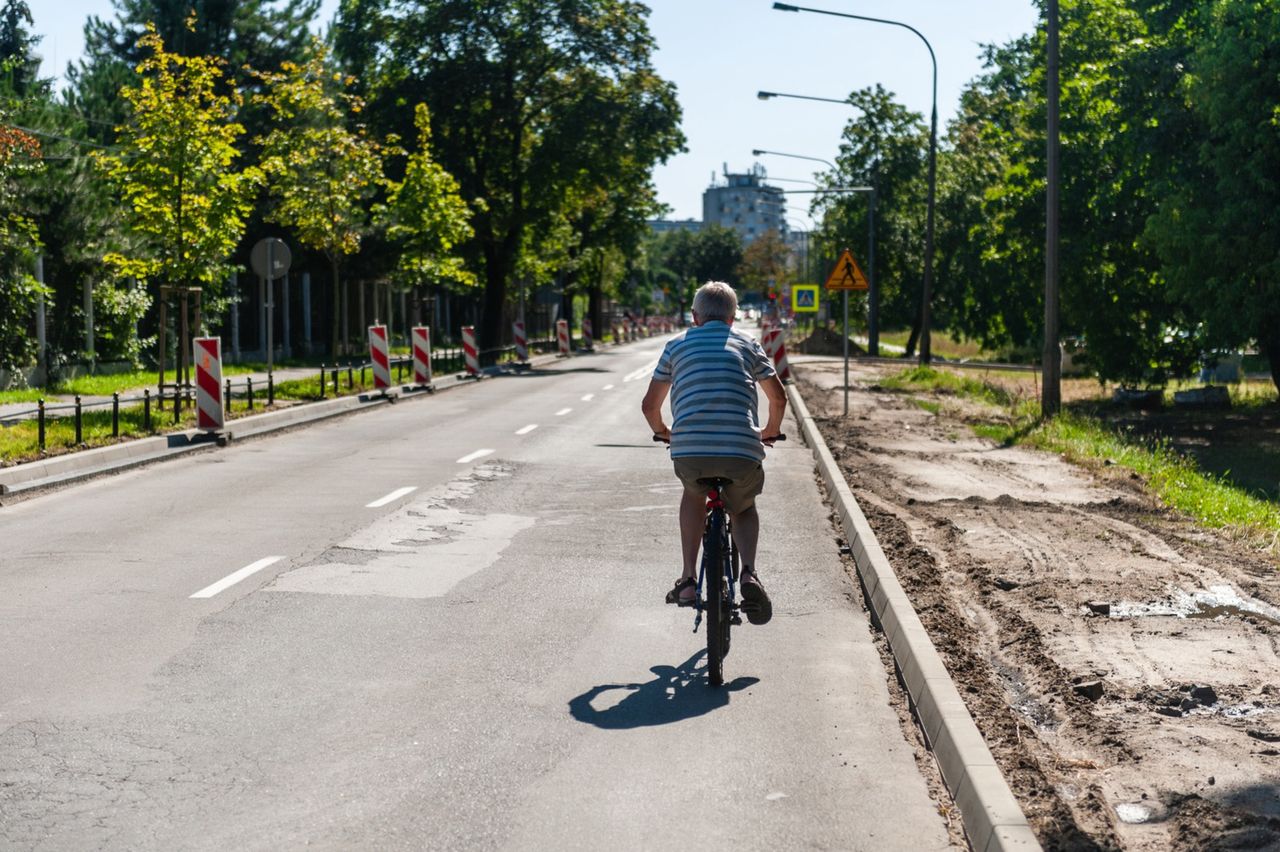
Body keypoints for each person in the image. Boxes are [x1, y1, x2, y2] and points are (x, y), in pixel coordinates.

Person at [641, 281, 787, 625]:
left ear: (694, 317)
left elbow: (650, 405)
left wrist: (664, 433)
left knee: (693, 495)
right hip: (742, 450)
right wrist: (770, 431)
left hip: (689, 449)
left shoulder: (676, 346)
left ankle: (689, 579)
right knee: (744, 506)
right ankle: (749, 573)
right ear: (733, 318)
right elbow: (777, 398)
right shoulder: (749, 345)